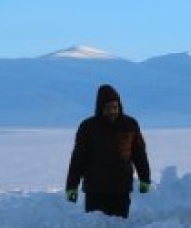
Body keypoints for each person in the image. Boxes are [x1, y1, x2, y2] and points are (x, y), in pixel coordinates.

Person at [65, 84, 152, 218]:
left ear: (119, 106)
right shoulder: (88, 127)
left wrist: (144, 178)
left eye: (114, 107)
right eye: (107, 108)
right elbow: (78, 158)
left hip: (121, 188)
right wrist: (72, 185)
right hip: (95, 190)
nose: (112, 111)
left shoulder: (130, 125)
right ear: (100, 108)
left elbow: (139, 153)